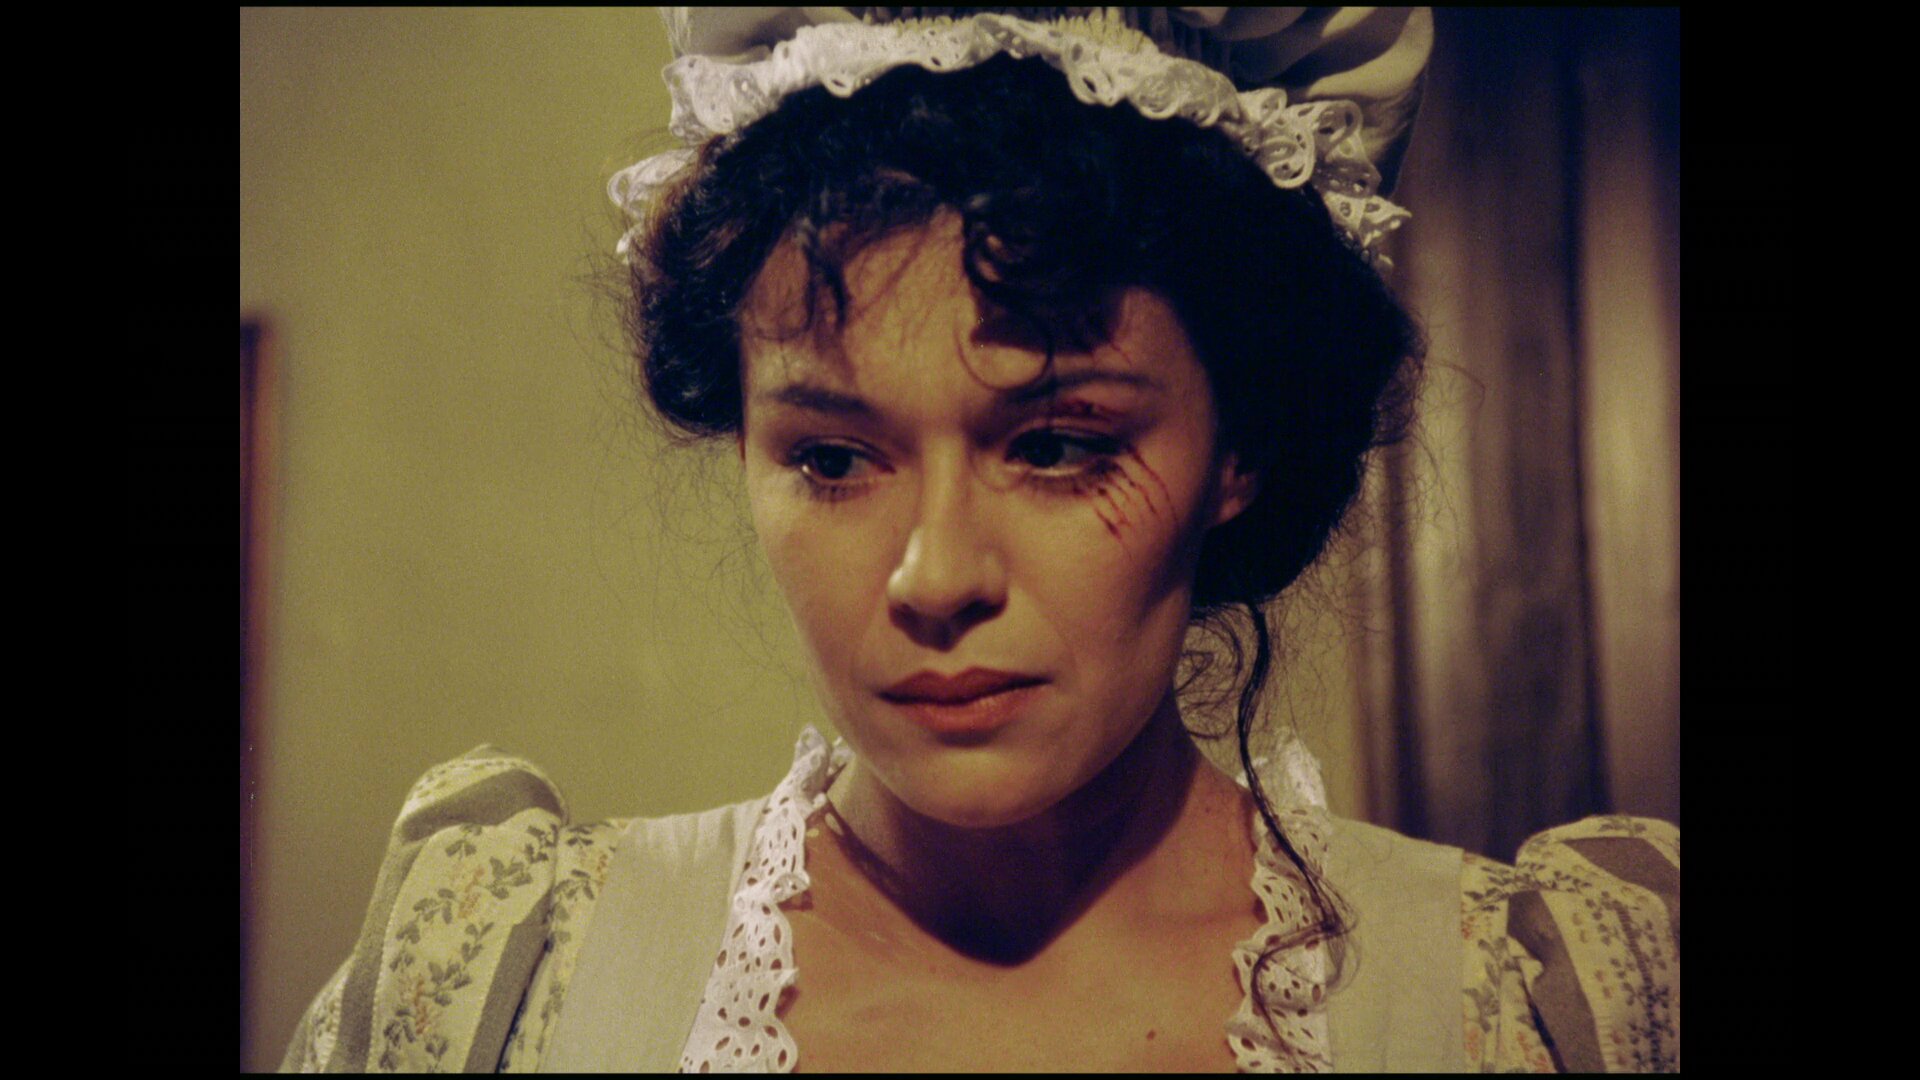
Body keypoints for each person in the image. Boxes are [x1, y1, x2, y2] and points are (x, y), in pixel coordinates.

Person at [282, 8, 1677, 1072]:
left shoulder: (1546, 1010)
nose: (935, 577)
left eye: (1058, 446)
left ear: (1239, 448)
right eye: (833, 459)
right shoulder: (506, 984)